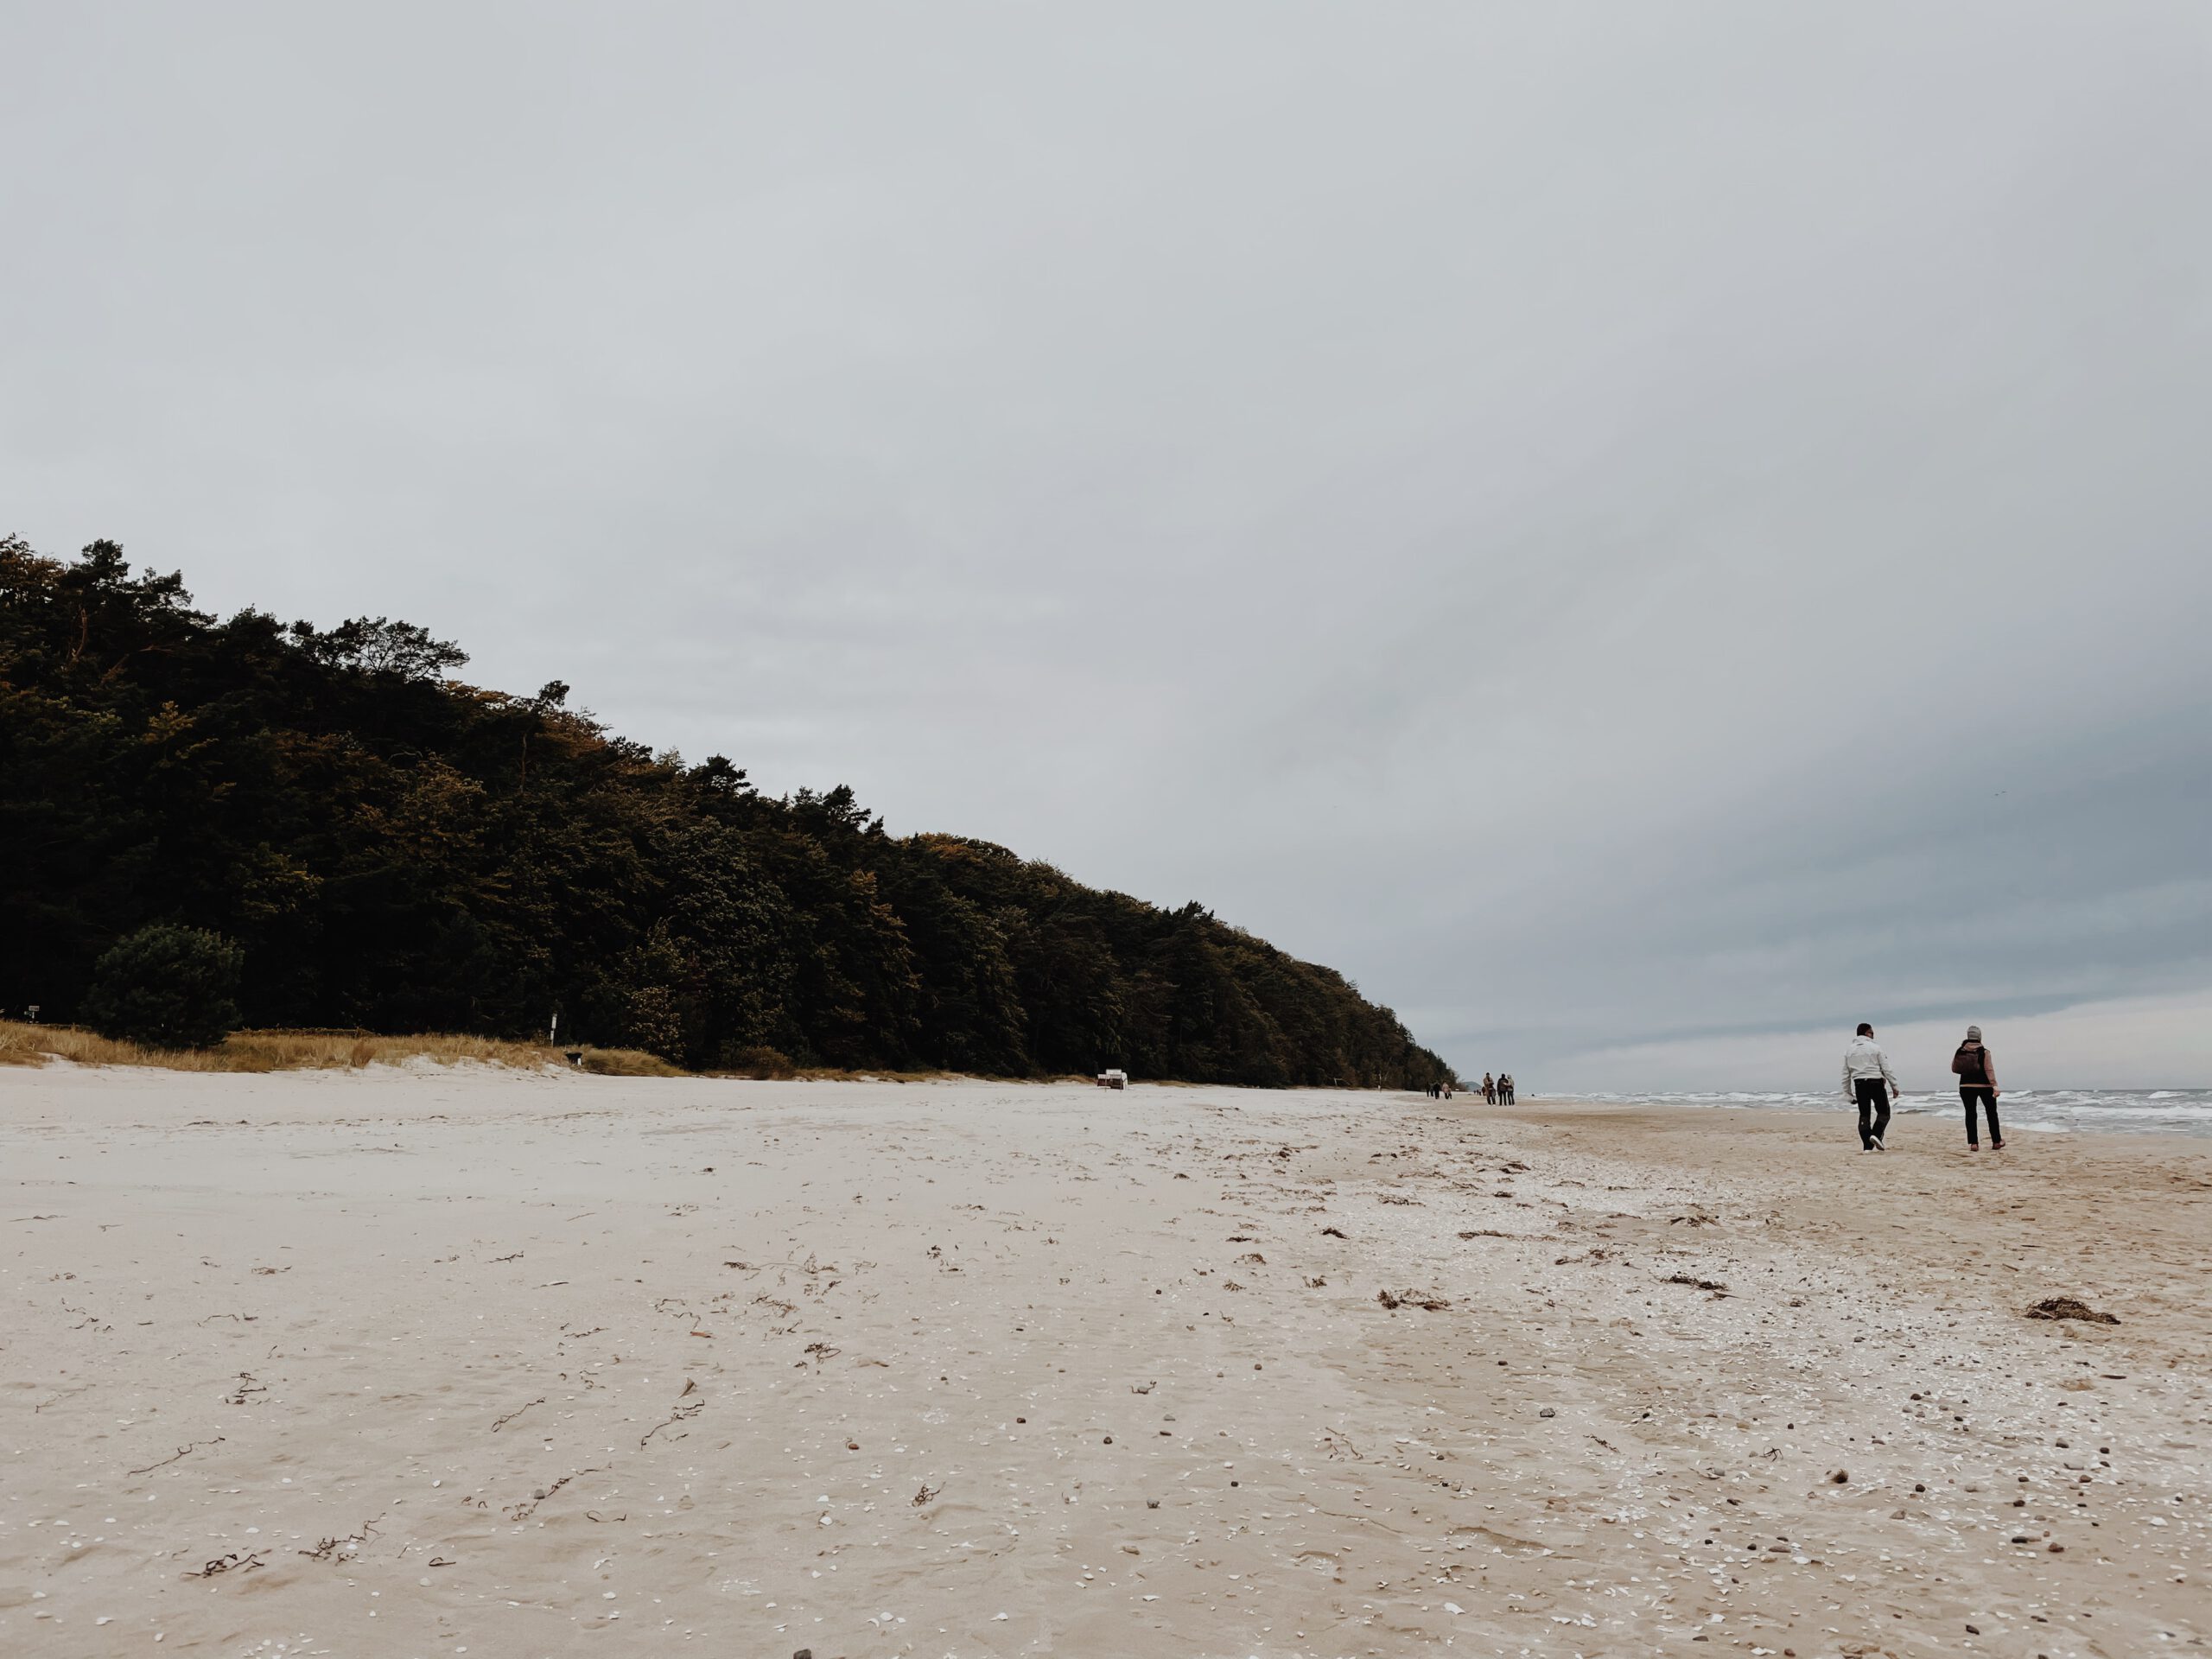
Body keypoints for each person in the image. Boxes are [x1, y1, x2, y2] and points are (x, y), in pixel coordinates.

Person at [1841, 1023, 1898, 1151]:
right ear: (1867, 1033)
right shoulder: (1875, 1047)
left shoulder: (1849, 1051)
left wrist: (1848, 1093)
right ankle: (1876, 1135)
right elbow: (1886, 1068)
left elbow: (1845, 1074)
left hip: (1859, 1084)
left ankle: (1867, 1146)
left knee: (1864, 1115)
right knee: (1884, 1112)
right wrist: (1894, 1085)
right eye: (1872, 1033)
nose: (1873, 1036)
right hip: (1875, 1082)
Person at [1951, 1024, 2004, 1151]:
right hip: (1985, 1086)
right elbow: (1989, 1070)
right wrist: (1995, 1086)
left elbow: (1954, 1068)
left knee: (1970, 1114)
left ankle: (1974, 1143)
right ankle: (1996, 1141)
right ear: (1980, 1037)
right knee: (1991, 1113)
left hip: (1965, 1086)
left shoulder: (1960, 1051)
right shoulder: (1984, 1052)